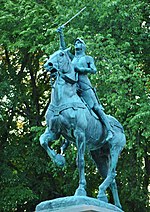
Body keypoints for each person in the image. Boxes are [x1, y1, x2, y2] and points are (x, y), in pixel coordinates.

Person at [57, 27, 113, 142]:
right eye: (76, 42)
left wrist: (80, 69)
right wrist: (61, 34)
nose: (76, 44)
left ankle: (110, 130)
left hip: (85, 86)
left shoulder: (87, 58)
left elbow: (94, 70)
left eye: (79, 42)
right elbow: (63, 49)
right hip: (74, 87)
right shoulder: (73, 58)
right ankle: (67, 138)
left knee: (96, 107)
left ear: (83, 46)